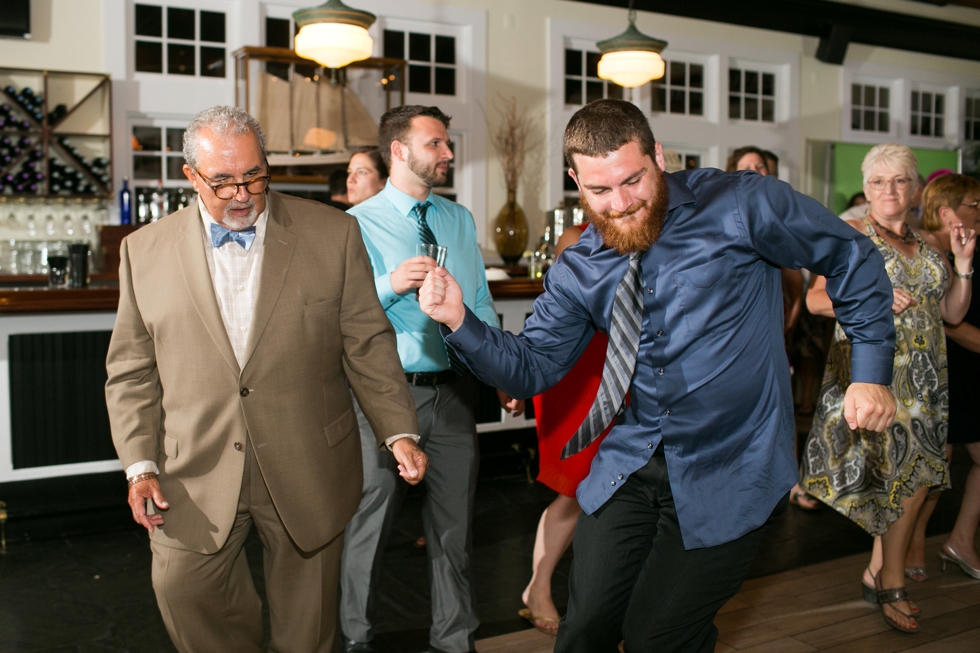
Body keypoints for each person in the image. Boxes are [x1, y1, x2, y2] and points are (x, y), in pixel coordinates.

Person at [419, 99, 897, 653]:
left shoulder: (740, 203)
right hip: (629, 465)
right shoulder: (580, 266)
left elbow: (851, 256)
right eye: (600, 190)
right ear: (576, 181)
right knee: (583, 632)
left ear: (659, 156)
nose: (620, 203)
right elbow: (531, 368)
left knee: (657, 638)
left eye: (634, 180)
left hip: (731, 467)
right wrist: (458, 317)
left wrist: (869, 371)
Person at [104, 106, 427, 653]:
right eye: (222, 180)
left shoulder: (333, 234)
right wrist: (140, 466)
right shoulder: (143, 251)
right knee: (182, 589)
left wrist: (398, 430)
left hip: (308, 459)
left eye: (254, 175)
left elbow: (366, 344)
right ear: (190, 176)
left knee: (309, 625)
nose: (241, 193)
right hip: (194, 468)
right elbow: (131, 370)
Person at [338, 104, 523, 653]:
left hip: (456, 396)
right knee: (366, 527)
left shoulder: (459, 220)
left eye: (446, 144)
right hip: (383, 398)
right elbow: (338, 314)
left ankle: (455, 641)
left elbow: (482, 303)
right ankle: (353, 640)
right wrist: (392, 282)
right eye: (436, 143)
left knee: (453, 531)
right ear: (399, 151)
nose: (447, 154)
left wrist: (500, 370)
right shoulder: (354, 225)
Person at [801, 144, 974, 633]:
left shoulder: (929, 244)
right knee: (897, 480)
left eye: (898, 181)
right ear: (867, 188)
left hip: (928, 379)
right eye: (877, 182)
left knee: (918, 480)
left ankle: (877, 570)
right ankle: (891, 579)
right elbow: (815, 301)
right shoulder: (851, 235)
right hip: (876, 376)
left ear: (915, 188)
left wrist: (962, 263)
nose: (888, 191)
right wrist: (867, 296)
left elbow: (953, 314)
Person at [520, 223, 609, 636]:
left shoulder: (651, 232)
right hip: (579, 372)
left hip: (623, 373)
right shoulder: (577, 237)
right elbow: (572, 305)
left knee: (617, 490)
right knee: (576, 486)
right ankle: (539, 588)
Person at [728, 145, 813, 509]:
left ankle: (790, 482)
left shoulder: (781, 221)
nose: (753, 172)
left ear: (770, 173)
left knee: (781, 408)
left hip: (771, 338)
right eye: (744, 167)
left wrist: (783, 333)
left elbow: (796, 289)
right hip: (733, 340)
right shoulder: (724, 219)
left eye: (759, 166)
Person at [918, 173, 980, 581]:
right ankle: (908, 547)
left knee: (939, 468)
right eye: (974, 204)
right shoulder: (926, 246)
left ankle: (958, 539)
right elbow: (949, 321)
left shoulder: (964, 247)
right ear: (946, 211)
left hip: (968, 370)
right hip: (945, 366)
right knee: (932, 469)